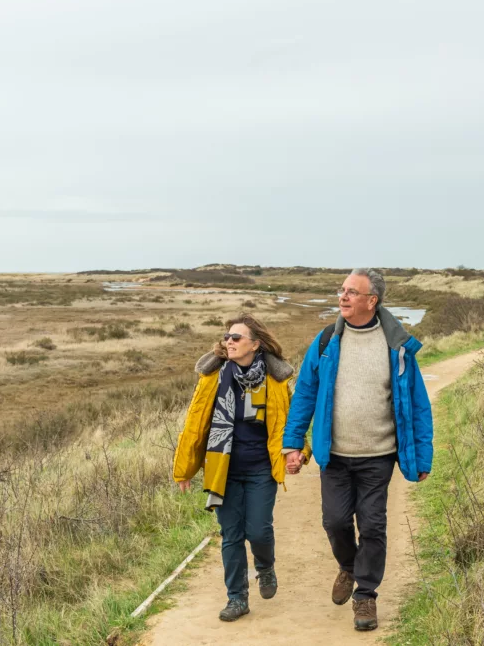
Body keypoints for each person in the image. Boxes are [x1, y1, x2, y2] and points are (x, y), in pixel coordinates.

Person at [282, 268, 433, 632]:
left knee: (373, 525)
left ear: (372, 301)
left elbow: (417, 403)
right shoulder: (324, 342)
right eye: (342, 290)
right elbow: (303, 395)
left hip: (377, 456)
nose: (343, 297)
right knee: (334, 522)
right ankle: (348, 566)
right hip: (333, 455)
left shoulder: (395, 345)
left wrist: (423, 456)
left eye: (352, 292)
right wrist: (292, 443)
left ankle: (366, 595)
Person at [172, 313, 307, 622]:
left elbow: (290, 423)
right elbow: (195, 424)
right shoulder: (213, 376)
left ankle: (265, 566)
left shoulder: (276, 379)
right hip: (224, 469)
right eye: (227, 337)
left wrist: (297, 453)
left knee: (258, 531)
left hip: (261, 468)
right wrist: (184, 469)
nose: (228, 342)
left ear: (255, 345)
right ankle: (237, 598)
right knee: (231, 535)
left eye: (236, 337)